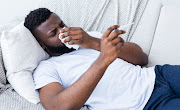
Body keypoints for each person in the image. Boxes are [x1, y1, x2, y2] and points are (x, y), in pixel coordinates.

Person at [24, 8, 180, 110]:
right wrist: (103, 59)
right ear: (42, 45)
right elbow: (58, 107)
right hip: (145, 104)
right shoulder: (47, 69)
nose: (63, 31)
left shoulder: (90, 38)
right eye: (53, 33)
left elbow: (142, 58)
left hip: (158, 75)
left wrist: (94, 42)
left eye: (62, 24)